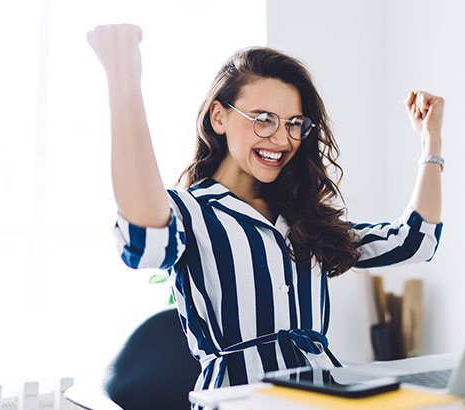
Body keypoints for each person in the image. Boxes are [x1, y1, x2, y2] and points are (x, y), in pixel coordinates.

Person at [87, 23, 445, 397]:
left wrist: (430, 141)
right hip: (239, 401)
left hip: (325, 398)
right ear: (218, 117)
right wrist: (123, 75)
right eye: (263, 119)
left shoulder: (306, 218)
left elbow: (416, 241)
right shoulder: (190, 213)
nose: (281, 138)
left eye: (294, 124)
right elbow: (144, 243)